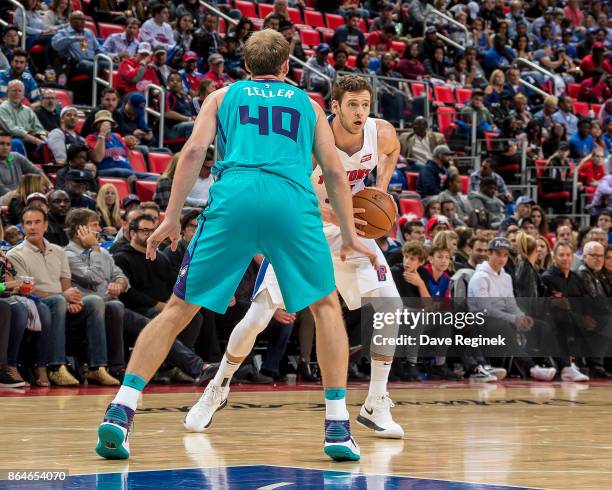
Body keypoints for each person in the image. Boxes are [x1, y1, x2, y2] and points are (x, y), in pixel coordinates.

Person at [95, 29, 372, 462]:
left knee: (176, 311)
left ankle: (121, 410)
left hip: (235, 195)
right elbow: (335, 173)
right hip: (291, 202)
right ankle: (337, 424)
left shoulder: (223, 96)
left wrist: (170, 217)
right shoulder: (309, 104)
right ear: (286, 67)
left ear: (245, 66)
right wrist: (351, 236)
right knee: (325, 309)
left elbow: (191, 153)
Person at [198, 73, 405, 432]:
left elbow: (393, 151)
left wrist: (381, 192)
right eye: (352, 105)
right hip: (301, 227)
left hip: (351, 231)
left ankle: (375, 402)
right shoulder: (307, 140)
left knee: (389, 306)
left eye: (365, 105)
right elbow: (291, 194)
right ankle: (218, 386)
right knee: (259, 316)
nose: (360, 112)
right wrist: (339, 212)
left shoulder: (380, 132)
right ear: (335, 107)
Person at [8, 206, 118, 386]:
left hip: (60, 302)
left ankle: (97, 367)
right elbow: (27, 289)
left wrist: (71, 299)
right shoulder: (15, 254)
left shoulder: (58, 251)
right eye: (28, 223)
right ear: (22, 226)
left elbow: (65, 283)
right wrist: (64, 296)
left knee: (95, 301)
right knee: (57, 300)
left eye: (37, 222)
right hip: (37, 305)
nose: (32, 227)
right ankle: (56, 367)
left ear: (45, 225)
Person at [468, 237, 557, 381]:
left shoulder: (506, 277)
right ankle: (531, 367)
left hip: (502, 318)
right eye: (498, 254)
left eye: (505, 255)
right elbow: (485, 309)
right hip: (480, 321)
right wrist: (513, 319)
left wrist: (521, 317)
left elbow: (510, 304)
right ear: (489, 254)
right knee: (504, 326)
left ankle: (556, 366)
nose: (502, 258)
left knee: (542, 326)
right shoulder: (480, 277)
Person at [541, 240, 592, 382]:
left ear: (573, 257)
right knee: (562, 314)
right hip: (554, 320)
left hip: (576, 318)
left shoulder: (576, 278)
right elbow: (544, 305)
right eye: (561, 255)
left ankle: (595, 366)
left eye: (568, 255)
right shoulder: (547, 277)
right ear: (554, 257)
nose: (565, 258)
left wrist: (587, 316)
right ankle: (567, 366)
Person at [0, 80, 47, 153]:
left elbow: (38, 128)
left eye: (19, 91)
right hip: (10, 140)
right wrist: (36, 140)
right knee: (17, 142)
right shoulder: (2, 108)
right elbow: (12, 130)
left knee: (48, 143)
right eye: (14, 90)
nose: (17, 93)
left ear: (23, 94)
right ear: (7, 92)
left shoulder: (28, 110)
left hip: (30, 140)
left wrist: (45, 140)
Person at [0, 132, 42, 199]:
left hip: (20, 197)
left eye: (8, 144)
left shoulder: (16, 156)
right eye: (1, 144)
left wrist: (49, 186)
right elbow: (2, 191)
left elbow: (37, 171)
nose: (5, 147)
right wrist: (23, 196)